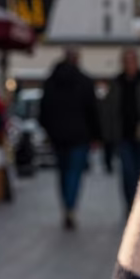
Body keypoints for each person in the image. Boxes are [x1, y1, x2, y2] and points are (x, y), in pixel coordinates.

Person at [39, 49, 101, 230]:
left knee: (63, 172)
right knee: (74, 172)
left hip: (58, 136)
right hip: (80, 135)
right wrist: (96, 135)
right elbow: (93, 112)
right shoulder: (85, 82)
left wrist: (49, 131)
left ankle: (66, 205)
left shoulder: (51, 82)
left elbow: (44, 110)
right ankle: (71, 206)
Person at [105, 48, 140, 210]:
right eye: (126, 61)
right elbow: (110, 110)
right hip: (123, 134)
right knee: (127, 172)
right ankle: (130, 203)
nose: (129, 64)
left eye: (132, 61)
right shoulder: (117, 83)